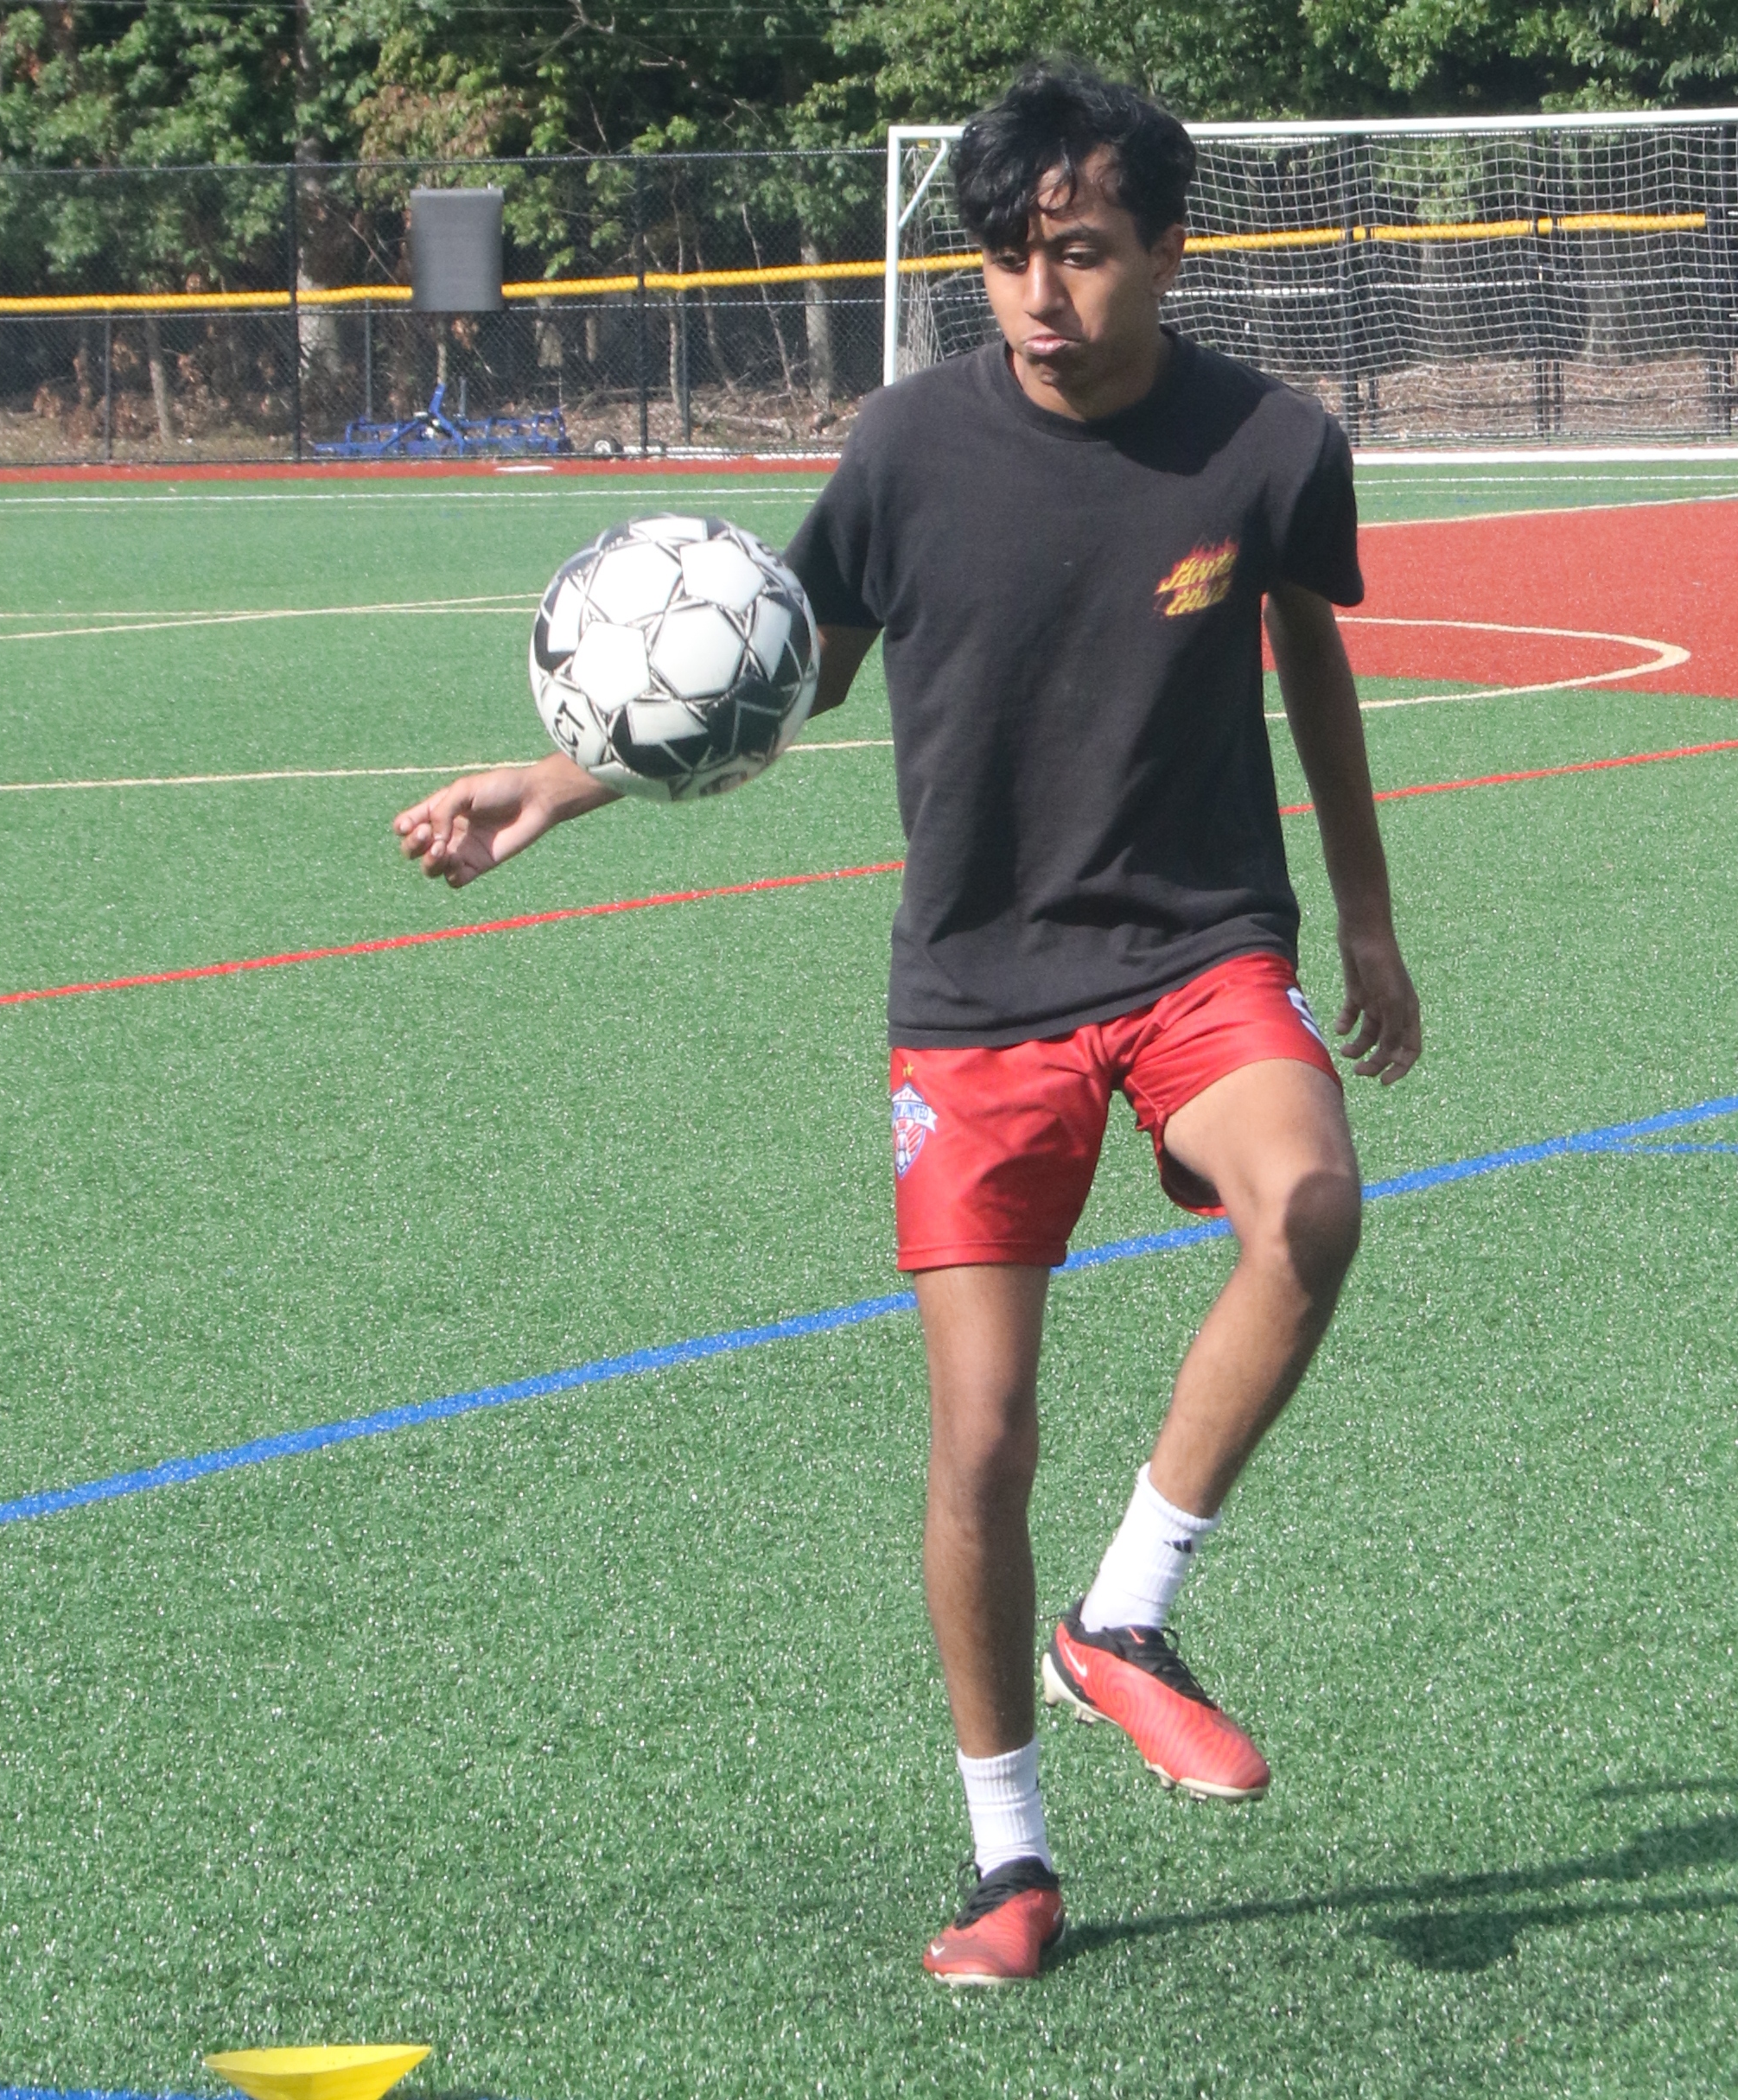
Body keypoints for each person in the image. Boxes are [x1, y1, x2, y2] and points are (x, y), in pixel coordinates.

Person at [392, 61, 1419, 1986]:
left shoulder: (1271, 444)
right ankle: (1007, 1861)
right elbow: (772, 678)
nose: (1041, 294)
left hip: (1197, 946)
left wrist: (1362, 914)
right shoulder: (907, 448)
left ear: (1166, 248)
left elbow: (1313, 661)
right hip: (974, 995)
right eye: (1010, 257)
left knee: (1308, 1206)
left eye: (1081, 253)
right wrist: (554, 783)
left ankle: (1125, 1615)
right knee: (981, 1441)